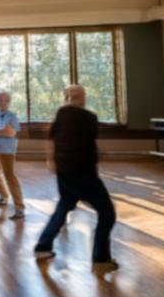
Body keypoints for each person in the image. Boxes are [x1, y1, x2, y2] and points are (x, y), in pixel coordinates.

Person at [34, 84, 118, 274]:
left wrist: (51, 160)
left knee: (64, 207)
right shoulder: (89, 117)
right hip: (84, 174)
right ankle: (101, 259)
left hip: (64, 171)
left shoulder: (61, 114)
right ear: (80, 97)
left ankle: (43, 247)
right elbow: (86, 142)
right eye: (82, 95)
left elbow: (54, 139)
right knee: (107, 214)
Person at [0, 91, 25, 219]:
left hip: (7, 150)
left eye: (5, 100)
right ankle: (3, 197)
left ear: (8, 102)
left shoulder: (12, 116)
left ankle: (20, 208)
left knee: (9, 176)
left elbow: (11, 133)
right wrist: (1, 131)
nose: (2, 103)